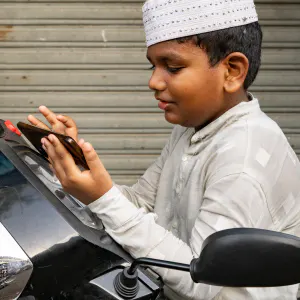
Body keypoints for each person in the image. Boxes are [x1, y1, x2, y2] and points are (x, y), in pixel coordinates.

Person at [27, 0, 300, 299]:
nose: (154, 81)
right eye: (153, 66)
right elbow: (141, 204)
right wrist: (77, 168)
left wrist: (102, 197)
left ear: (232, 71)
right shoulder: (193, 128)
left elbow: (200, 280)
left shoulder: (243, 158)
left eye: (172, 67)